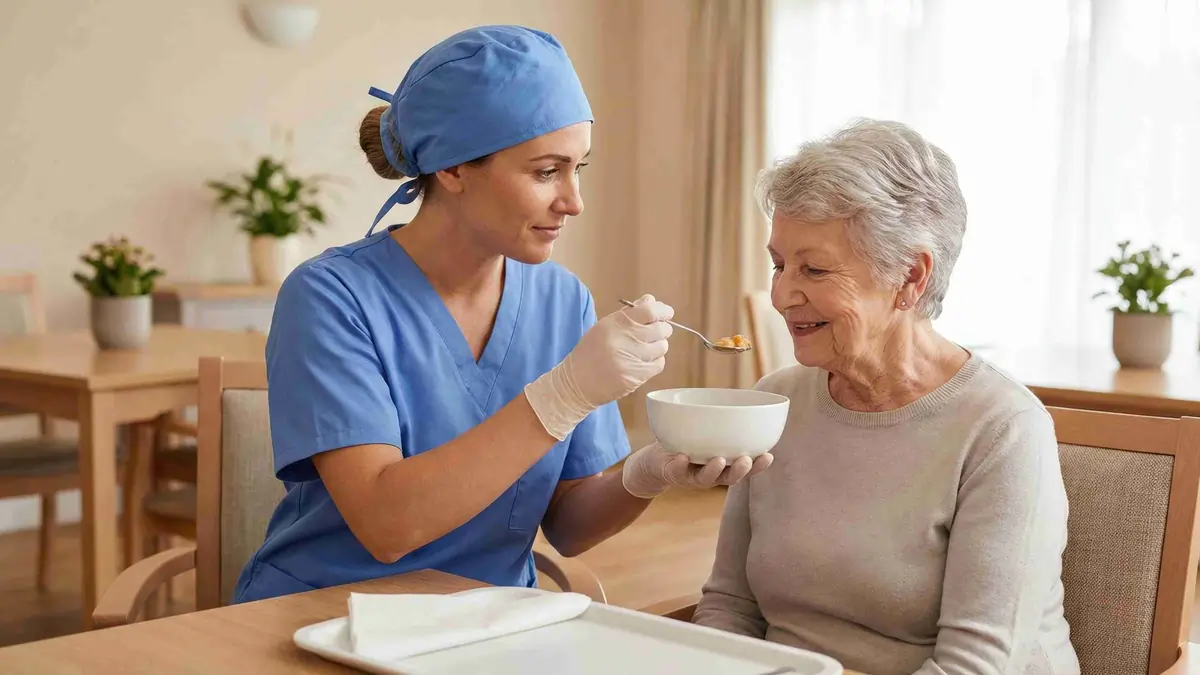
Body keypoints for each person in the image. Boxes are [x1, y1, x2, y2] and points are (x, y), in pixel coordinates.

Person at [231, 25, 772, 604]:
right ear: (454, 168)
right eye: (545, 172)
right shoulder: (330, 296)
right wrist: (563, 395)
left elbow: (568, 526)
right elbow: (388, 526)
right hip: (321, 618)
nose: (574, 201)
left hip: (490, 628)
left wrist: (651, 472)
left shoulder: (563, 302)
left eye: (578, 168)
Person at [691, 119, 1080, 675]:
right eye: (779, 264)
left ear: (911, 276)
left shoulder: (1003, 428)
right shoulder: (776, 401)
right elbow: (730, 606)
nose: (781, 294)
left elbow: (975, 667)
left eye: (814, 269)